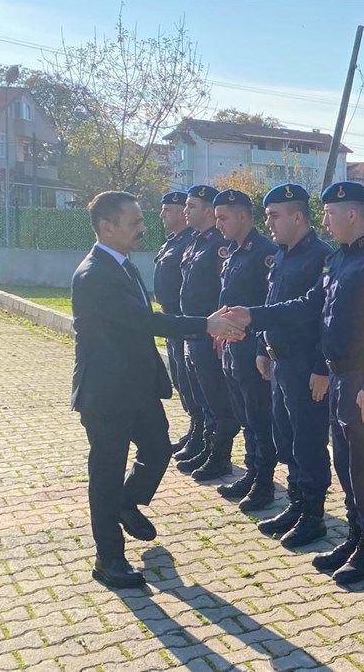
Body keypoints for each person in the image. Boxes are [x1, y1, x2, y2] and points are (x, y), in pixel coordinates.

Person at [220, 181, 364, 581]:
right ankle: (357, 536)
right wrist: (254, 315)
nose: (325, 221)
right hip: (341, 376)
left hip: (362, 379)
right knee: (345, 463)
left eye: (331, 214)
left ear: (352, 214)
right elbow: (311, 305)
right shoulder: (340, 259)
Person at [70, 190, 243, 589]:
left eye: (141, 220)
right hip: (106, 392)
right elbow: (146, 322)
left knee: (158, 449)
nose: (143, 228)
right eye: (133, 223)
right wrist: (206, 324)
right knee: (106, 474)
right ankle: (108, 559)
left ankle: (127, 503)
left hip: (137, 388)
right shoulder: (95, 273)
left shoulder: (123, 265)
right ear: (106, 227)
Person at [253, 183, 334, 548]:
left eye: (274, 216)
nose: (268, 223)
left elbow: (323, 317)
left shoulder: (321, 256)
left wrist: (321, 367)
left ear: (298, 217)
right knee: (285, 438)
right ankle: (296, 504)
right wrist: (261, 346)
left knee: (308, 442)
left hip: (305, 366)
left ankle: (313, 516)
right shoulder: (282, 254)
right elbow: (271, 302)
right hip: (280, 362)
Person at [212, 189, 280, 511]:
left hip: (252, 348)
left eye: (223, 217)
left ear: (242, 216)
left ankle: (264, 483)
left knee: (259, 417)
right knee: (245, 416)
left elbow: (269, 306)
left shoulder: (264, 252)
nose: (219, 224)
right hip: (231, 348)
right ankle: (252, 472)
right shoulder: (234, 252)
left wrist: (261, 348)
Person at [176, 184, 242, 481]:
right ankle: (205, 444)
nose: (185, 211)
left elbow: (224, 291)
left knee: (217, 397)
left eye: (192, 206)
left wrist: (218, 331)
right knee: (201, 394)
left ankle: (219, 457)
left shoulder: (219, 244)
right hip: (192, 330)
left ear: (207, 211)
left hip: (209, 332)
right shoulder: (195, 242)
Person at [152, 190, 209, 464]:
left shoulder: (192, 242)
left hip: (187, 320)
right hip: (173, 320)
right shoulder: (175, 242)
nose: (164, 214)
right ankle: (195, 429)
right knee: (182, 381)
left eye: (169, 209)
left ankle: (204, 437)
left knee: (195, 382)